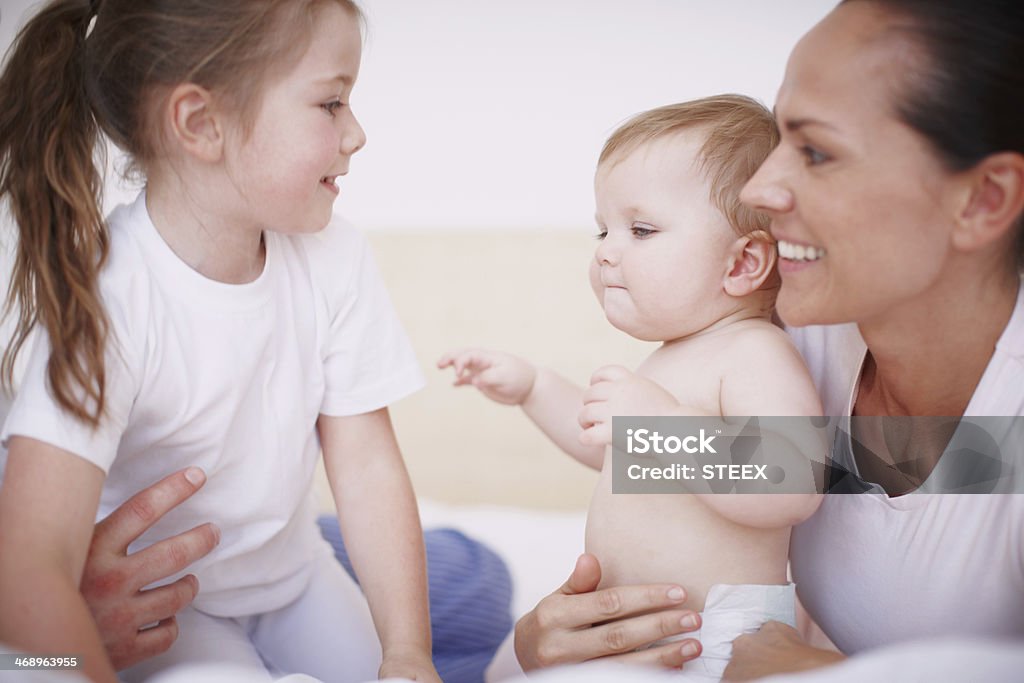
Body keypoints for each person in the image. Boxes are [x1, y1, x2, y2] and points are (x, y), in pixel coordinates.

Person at [511, 0, 1024, 679]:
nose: (760, 185)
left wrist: (807, 668)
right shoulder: (784, 332)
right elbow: (648, 461)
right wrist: (542, 640)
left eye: (816, 150)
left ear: (984, 199)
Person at [0, 1, 441, 682]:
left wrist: (408, 651)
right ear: (202, 124)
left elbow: (368, 469)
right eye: (331, 103)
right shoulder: (111, 297)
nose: (357, 134)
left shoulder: (335, 256)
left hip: (294, 579)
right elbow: (28, 567)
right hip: (168, 606)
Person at [440, 95, 823, 680]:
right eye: (603, 230)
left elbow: (792, 484)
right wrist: (535, 387)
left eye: (640, 230)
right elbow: (610, 451)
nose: (606, 253)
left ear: (743, 264)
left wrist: (662, 425)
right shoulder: (672, 359)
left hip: (714, 641)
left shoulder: (754, 352)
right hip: (637, 634)